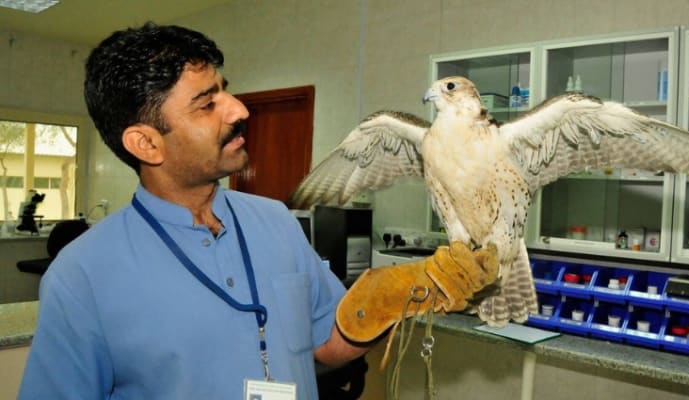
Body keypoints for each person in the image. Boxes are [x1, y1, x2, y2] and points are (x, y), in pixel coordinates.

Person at [18, 22, 498, 400]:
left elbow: (327, 344)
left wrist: (393, 300)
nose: (238, 109)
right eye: (207, 105)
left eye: (224, 89)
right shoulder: (82, 276)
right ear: (145, 143)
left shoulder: (275, 221)